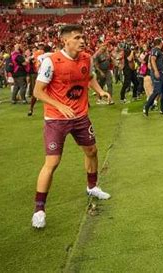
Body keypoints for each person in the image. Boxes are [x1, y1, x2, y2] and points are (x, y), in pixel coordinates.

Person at [31, 24, 112, 229]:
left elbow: (90, 78)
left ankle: (92, 187)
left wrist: (100, 91)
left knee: (92, 151)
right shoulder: (51, 61)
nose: (82, 41)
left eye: (82, 37)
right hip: (56, 119)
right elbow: (38, 92)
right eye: (77, 37)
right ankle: (39, 209)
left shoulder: (86, 58)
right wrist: (60, 106)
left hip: (80, 116)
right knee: (53, 162)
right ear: (65, 40)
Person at [144, 37, 163, 116]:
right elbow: (152, 60)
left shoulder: (160, 52)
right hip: (158, 72)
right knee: (157, 91)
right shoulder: (155, 50)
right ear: (160, 43)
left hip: (162, 73)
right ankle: (146, 106)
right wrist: (155, 71)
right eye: (162, 43)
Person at [28, 45, 52, 116]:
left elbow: (37, 66)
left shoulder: (39, 56)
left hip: (41, 75)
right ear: (50, 50)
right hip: (52, 75)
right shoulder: (54, 55)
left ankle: (31, 109)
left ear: (43, 51)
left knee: (36, 92)